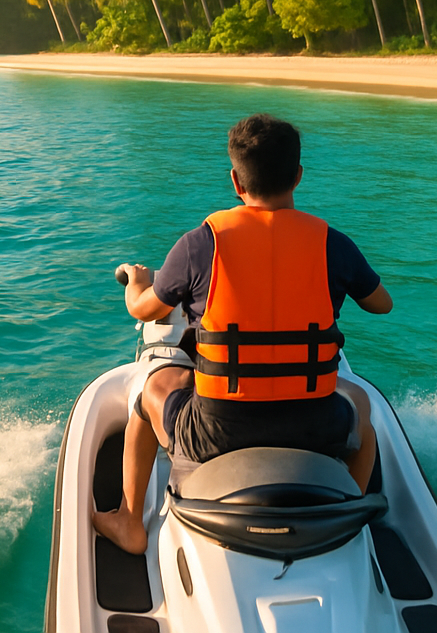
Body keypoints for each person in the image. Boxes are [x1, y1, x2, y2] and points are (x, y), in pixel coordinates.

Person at [93, 113, 393, 554]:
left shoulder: (201, 244)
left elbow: (144, 308)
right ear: (298, 176)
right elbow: (380, 303)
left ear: (236, 181)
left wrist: (137, 281)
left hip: (215, 432)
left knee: (153, 388)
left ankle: (129, 522)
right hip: (315, 427)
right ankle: (344, 512)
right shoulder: (332, 243)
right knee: (362, 406)